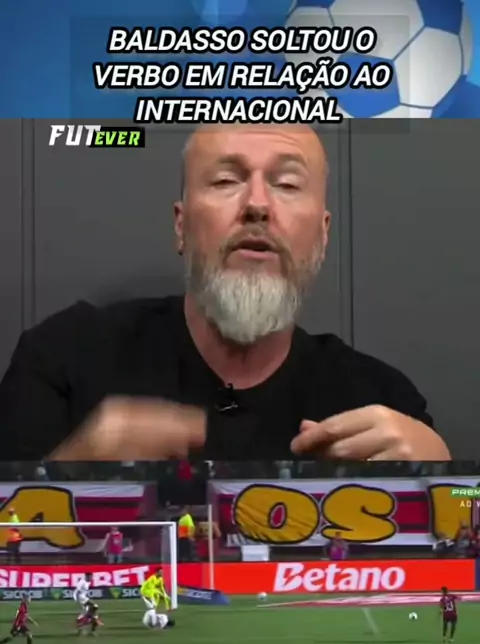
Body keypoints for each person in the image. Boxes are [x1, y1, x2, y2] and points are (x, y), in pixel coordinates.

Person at [0, 124, 451, 462]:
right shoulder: (64, 361)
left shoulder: (381, 401)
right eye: (225, 181)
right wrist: (71, 475)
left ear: (323, 234)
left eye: (287, 184)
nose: (257, 205)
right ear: (181, 226)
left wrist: (443, 483)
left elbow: (458, 531)